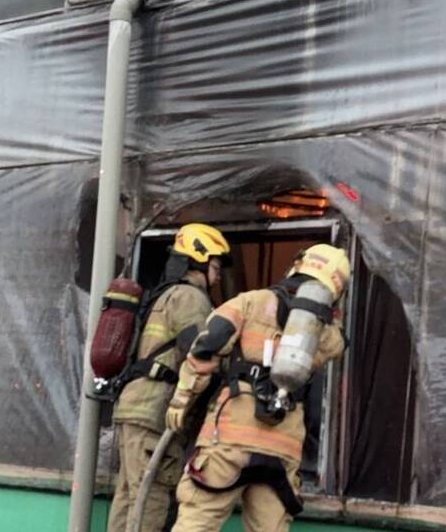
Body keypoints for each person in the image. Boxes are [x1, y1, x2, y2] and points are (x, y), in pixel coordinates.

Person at [166, 244, 351, 532]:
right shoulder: (326, 334)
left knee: (196, 524)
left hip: (230, 438)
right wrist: (330, 310)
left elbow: (208, 345)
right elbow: (339, 341)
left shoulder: (250, 301)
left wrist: (182, 398)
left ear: (297, 266)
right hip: (283, 446)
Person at [107, 223, 231, 532]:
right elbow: (198, 350)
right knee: (150, 498)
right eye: (215, 267)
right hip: (155, 413)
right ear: (198, 261)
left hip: (133, 409)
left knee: (128, 497)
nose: (218, 275)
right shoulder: (191, 297)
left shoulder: (164, 295)